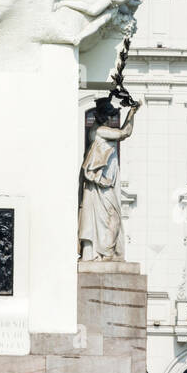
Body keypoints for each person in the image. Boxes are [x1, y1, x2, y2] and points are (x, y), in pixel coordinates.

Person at [78, 97, 137, 261]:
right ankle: (106, 252)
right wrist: (132, 113)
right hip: (101, 184)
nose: (113, 119)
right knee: (113, 217)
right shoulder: (101, 131)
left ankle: (103, 252)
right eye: (111, 116)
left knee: (107, 218)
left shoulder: (97, 131)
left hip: (104, 185)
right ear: (105, 117)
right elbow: (125, 133)